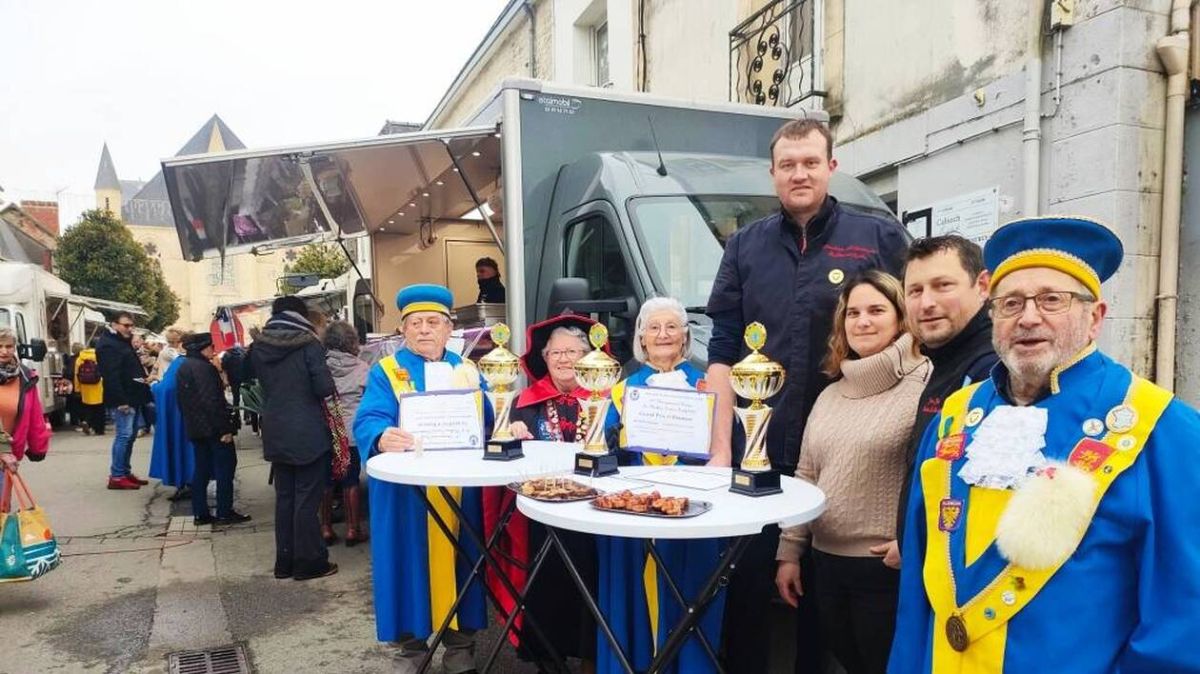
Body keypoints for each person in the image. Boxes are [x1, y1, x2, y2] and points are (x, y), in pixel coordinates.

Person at [890, 216, 1200, 672]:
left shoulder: (1165, 429)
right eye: (1010, 303)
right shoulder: (954, 416)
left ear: (1095, 317)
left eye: (1053, 300)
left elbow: (1183, 621)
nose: (1028, 317)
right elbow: (919, 588)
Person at [705, 117, 910, 671]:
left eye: (811, 162)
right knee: (749, 590)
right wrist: (721, 450)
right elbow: (722, 349)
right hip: (759, 451)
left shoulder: (879, 237)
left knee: (825, 608)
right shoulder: (744, 246)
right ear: (772, 173)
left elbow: (909, 332)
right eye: (788, 164)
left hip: (847, 454)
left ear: (831, 167)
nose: (800, 174)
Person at [775, 270, 930, 674]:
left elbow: (935, 473)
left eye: (877, 310)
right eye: (853, 313)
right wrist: (789, 552)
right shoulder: (830, 394)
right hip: (825, 564)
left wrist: (912, 538)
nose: (863, 321)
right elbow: (807, 474)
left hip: (886, 568)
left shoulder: (926, 385)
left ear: (901, 318)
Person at [353, 284, 489, 674]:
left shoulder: (468, 370)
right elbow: (368, 418)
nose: (424, 329)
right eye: (415, 323)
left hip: (459, 487)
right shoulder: (386, 371)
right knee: (406, 565)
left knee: (463, 562)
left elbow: (487, 419)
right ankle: (410, 652)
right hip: (407, 495)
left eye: (433, 322)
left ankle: (461, 650)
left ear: (449, 329)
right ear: (403, 329)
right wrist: (381, 435)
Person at [599, 297, 724, 674]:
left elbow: (722, 445)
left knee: (691, 595)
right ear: (641, 338)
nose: (663, 334)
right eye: (653, 327)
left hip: (693, 508)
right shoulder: (621, 389)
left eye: (672, 327)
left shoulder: (706, 385)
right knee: (636, 601)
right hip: (636, 512)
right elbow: (605, 450)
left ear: (685, 336)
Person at [488, 313, 602, 670]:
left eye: (573, 352)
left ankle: (593, 656)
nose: (564, 359)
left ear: (589, 357)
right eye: (556, 353)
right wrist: (513, 433)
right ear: (544, 358)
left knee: (595, 583)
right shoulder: (523, 401)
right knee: (546, 584)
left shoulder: (606, 398)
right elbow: (502, 449)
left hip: (593, 512)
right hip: (541, 513)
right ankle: (547, 658)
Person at [892, 235, 998, 555]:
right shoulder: (946, 360)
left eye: (943, 286)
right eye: (915, 291)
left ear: (983, 286)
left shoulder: (993, 373)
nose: (926, 303)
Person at [245, 295, 337, 581]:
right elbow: (324, 387)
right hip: (307, 431)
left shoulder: (259, 345)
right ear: (301, 316)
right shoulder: (309, 344)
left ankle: (284, 563)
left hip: (275, 429)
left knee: (285, 498)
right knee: (307, 499)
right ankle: (309, 563)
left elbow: (245, 375)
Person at [176, 332, 249, 526]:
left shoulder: (184, 366)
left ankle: (200, 513)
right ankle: (224, 511)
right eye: (211, 346)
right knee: (225, 467)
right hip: (214, 428)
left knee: (201, 469)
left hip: (196, 428)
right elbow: (212, 402)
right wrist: (225, 429)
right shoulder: (204, 369)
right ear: (203, 348)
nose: (214, 350)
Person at [321, 320, 368, 546]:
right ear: (352, 341)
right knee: (351, 481)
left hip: (327, 430)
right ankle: (352, 529)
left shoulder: (320, 366)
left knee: (326, 481)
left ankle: (326, 528)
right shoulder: (362, 367)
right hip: (351, 431)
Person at [96, 312, 151, 490]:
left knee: (130, 436)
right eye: (126, 325)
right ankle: (117, 475)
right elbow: (111, 375)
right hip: (124, 398)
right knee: (124, 435)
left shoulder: (120, 341)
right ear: (114, 324)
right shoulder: (108, 344)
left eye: (131, 326)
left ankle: (124, 471)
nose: (130, 329)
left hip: (133, 396)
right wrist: (121, 400)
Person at [0, 327, 51, 479]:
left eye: (9, 346)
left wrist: (38, 448)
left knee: (3, 493)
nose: (4, 351)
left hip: (8, 455)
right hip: (4, 451)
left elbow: (34, 416)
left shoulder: (26, 377)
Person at [148, 347, 194, 500]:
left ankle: (185, 483)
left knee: (180, 448)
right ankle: (192, 481)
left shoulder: (179, 363)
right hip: (194, 415)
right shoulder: (197, 362)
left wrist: (154, 386)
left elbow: (166, 388)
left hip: (178, 415)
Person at [74, 340, 105, 436]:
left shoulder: (80, 358)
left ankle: (86, 421)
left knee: (88, 407)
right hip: (98, 386)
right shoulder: (100, 356)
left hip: (85, 387)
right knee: (99, 408)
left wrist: (77, 388)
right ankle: (99, 429)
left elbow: (76, 374)